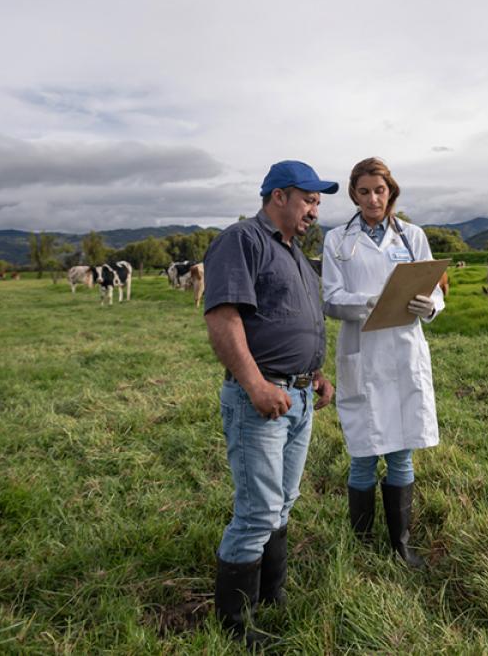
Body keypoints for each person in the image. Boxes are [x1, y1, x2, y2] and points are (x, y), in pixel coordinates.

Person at [202, 159, 337, 645]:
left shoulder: (297, 254)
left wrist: (317, 374)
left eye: (319, 202)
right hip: (261, 398)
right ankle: (234, 628)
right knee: (258, 510)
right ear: (279, 196)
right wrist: (257, 385)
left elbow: (296, 320)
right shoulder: (243, 240)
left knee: (284, 504)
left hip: (298, 397)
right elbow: (222, 316)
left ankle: (270, 596)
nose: (314, 210)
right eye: (308, 199)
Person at [321, 157, 445, 568]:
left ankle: (401, 545)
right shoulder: (337, 240)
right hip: (363, 353)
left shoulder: (412, 236)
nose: (373, 199)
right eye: (363, 191)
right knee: (362, 452)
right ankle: (359, 547)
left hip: (404, 351)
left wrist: (430, 305)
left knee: (401, 453)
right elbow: (330, 299)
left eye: (380, 190)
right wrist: (369, 303)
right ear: (354, 195)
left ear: (391, 191)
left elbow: (434, 290)